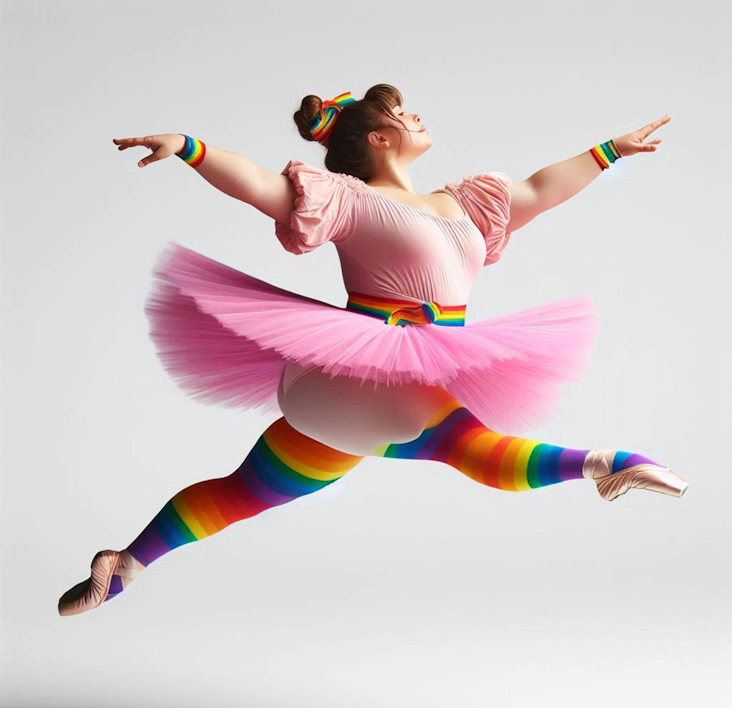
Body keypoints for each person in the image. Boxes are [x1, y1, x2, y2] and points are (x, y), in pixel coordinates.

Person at [58, 83, 688, 617]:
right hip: (370, 368)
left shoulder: (467, 205)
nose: (416, 116)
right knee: (469, 449)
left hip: (370, 390)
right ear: (380, 140)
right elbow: (258, 185)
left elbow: (540, 190)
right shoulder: (349, 198)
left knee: (246, 490)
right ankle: (607, 462)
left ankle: (125, 564)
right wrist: (191, 148)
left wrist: (609, 151)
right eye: (401, 113)